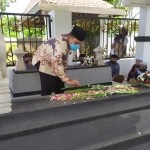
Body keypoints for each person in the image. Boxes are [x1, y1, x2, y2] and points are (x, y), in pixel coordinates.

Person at [32, 25, 87, 96]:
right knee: (49, 85)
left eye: (80, 43)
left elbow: (63, 60)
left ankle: (60, 102)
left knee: (60, 84)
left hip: (53, 59)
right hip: (43, 59)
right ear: (70, 37)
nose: (78, 45)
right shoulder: (60, 45)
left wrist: (64, 75)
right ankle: (44, 105)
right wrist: (68, 80)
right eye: (77, 42)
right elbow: (56, 63)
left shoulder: (68, 40)